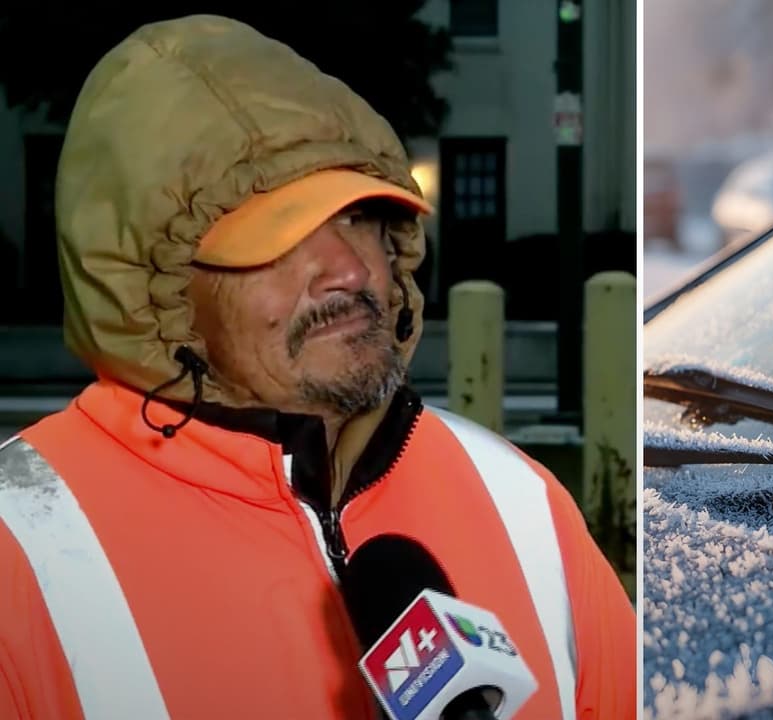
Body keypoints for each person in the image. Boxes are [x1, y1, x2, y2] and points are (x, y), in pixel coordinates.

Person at [0, 14, 634, 720]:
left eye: (360, 217)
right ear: (160, 294)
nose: (351, 269)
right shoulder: (19, 553)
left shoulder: (525, 506)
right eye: (279, 235)